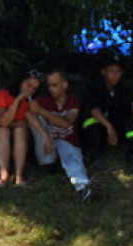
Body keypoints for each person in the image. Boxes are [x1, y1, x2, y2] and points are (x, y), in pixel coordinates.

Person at [29, 70, 94, 202]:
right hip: (47, 146)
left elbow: (67, 124)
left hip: (67, 142)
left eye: (54, 85)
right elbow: (28, 113)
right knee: (35, 119)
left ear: (65, 85)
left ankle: (83, 187)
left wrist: (43, 111)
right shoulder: (43, 101)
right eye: (49, 86)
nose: (51, 89)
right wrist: (44, 134)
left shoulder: (73, 101)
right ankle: (50, 167)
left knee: (69, 153)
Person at [81, 53, 133, 173]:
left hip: (118, 127)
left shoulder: (125, 89)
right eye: (111, 71)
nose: (115, 75)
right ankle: (96, 156)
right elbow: (94, 110)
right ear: (104, 72)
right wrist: (109, 127)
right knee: (91, 122)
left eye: (118, 71)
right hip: (102, 128)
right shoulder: (95, 87)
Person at [0, 71, 48, 187]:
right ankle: (3, 174)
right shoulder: (2, 95)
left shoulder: (30, 102)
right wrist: (17, 101)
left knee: (20, 131)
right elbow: (4, 122)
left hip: (15, 137)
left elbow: (30, 121)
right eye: (28, 85)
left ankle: (19, 175)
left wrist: (45, 136)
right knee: (4, 131)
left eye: (34, 88)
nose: (30, 90)